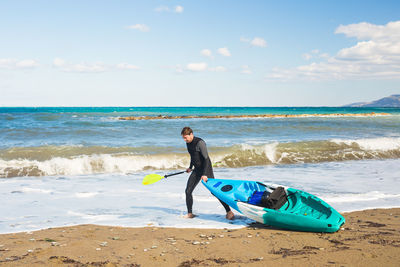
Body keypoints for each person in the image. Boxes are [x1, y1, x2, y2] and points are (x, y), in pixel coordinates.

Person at [181, 126, 235, 220]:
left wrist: (205, 173)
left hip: (206, 169)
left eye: (186, 137)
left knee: (214, 192)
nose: (185, 139)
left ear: (191, 134)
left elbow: (206, 158)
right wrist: (190, 167)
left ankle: (229, 211)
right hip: (197, 169)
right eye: (183, 138)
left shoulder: (200, 142)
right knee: (188, 191)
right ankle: (190, 214)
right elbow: (193, 156)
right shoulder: (188, 143)